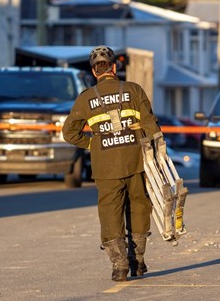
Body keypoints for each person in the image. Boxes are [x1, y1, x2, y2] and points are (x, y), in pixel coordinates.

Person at [62, 45, 162, 282]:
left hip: (105, 167)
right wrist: (158, 155)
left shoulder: (86, 99)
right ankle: (137, 261)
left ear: (95, 72)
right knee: (138, 206)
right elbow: (151, 126)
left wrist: (92, 144)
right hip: (136, 161)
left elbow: (69, 133)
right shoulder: (134, 90)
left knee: (110, 212)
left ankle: (120, 267)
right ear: (115, 67)